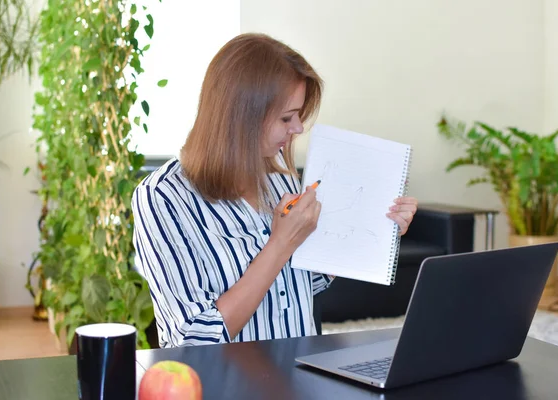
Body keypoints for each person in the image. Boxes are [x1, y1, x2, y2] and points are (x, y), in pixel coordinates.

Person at [132, 33, 418, 348]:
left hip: (300, 376)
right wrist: (279, 244)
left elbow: (304, 283)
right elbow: (193, 338)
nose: (297, 128)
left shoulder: (278, 175)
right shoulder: (162, 198)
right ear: (242, 117)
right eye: (286, 118)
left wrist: (374, 225)